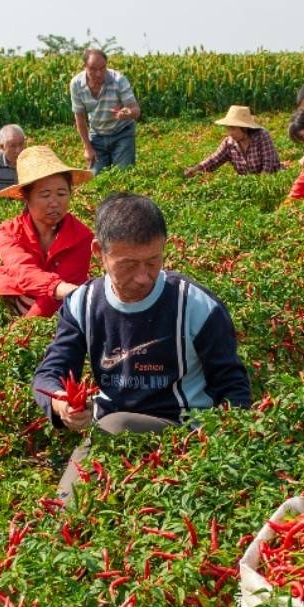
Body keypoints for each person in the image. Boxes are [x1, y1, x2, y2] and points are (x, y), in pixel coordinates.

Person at [33, 193, 251, 505]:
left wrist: (222, 453)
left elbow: (233, 387)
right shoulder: (83, 303)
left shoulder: (196, 306)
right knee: (66, 509)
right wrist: (60, 405)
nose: (143, 277)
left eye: (153, 261)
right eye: (128, 264)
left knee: (114, 427)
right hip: (111, 431)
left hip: (185, 430)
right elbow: (49, 374)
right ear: (98, 252)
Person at [0, 146, 95, 318]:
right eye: (45, 195)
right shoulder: (10, 232)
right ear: (27, 198)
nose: (55, 202)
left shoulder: (81, 236)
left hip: (60, 300)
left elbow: (59, 293)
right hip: (29, 293)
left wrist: (25, 326)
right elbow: (22, 271)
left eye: (61, 193)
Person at [70, 48, 140, 174]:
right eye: (93, 69)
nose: (98, 73)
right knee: (95, 177)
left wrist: (127, 113)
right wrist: (87, 147)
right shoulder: (76, 84)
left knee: (123, 175)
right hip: (97, 135)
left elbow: (135, 109)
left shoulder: (118, 80)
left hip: (122, 134)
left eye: (102, 68)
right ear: (85, 66)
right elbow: (79, 117)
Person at [183, 106, 281, 177]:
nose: (230, 133)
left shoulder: (261, 136)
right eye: (228, 129)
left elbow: (269, 164)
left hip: (272, 182)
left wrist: (260, 184)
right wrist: (195, 169)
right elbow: (214, 160)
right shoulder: (229, 143)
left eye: (233, 129)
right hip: (247, 185)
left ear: (244, 128)